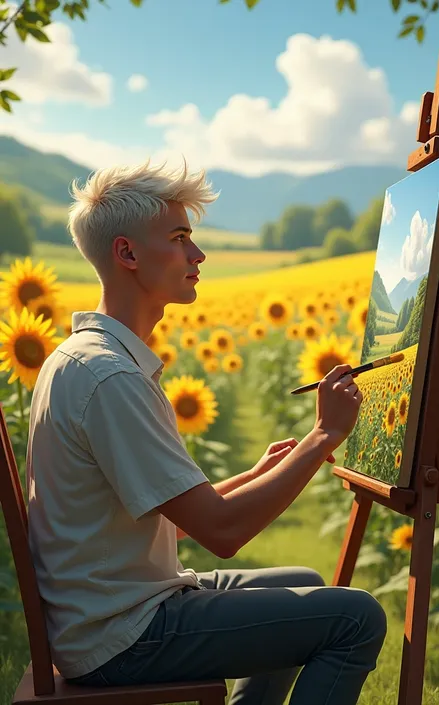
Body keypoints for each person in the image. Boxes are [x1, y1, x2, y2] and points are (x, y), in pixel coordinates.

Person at [26, 159, 387, 705]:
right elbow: (222, 535)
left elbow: (174, 521)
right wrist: (323, 437)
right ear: (127, 254)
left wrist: (254, 476)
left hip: (110, 609)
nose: (198, 256)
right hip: (121, 634)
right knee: (357, 617)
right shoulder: (112, 377)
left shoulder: (84, 358)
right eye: (179, 238)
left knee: (310, 582)